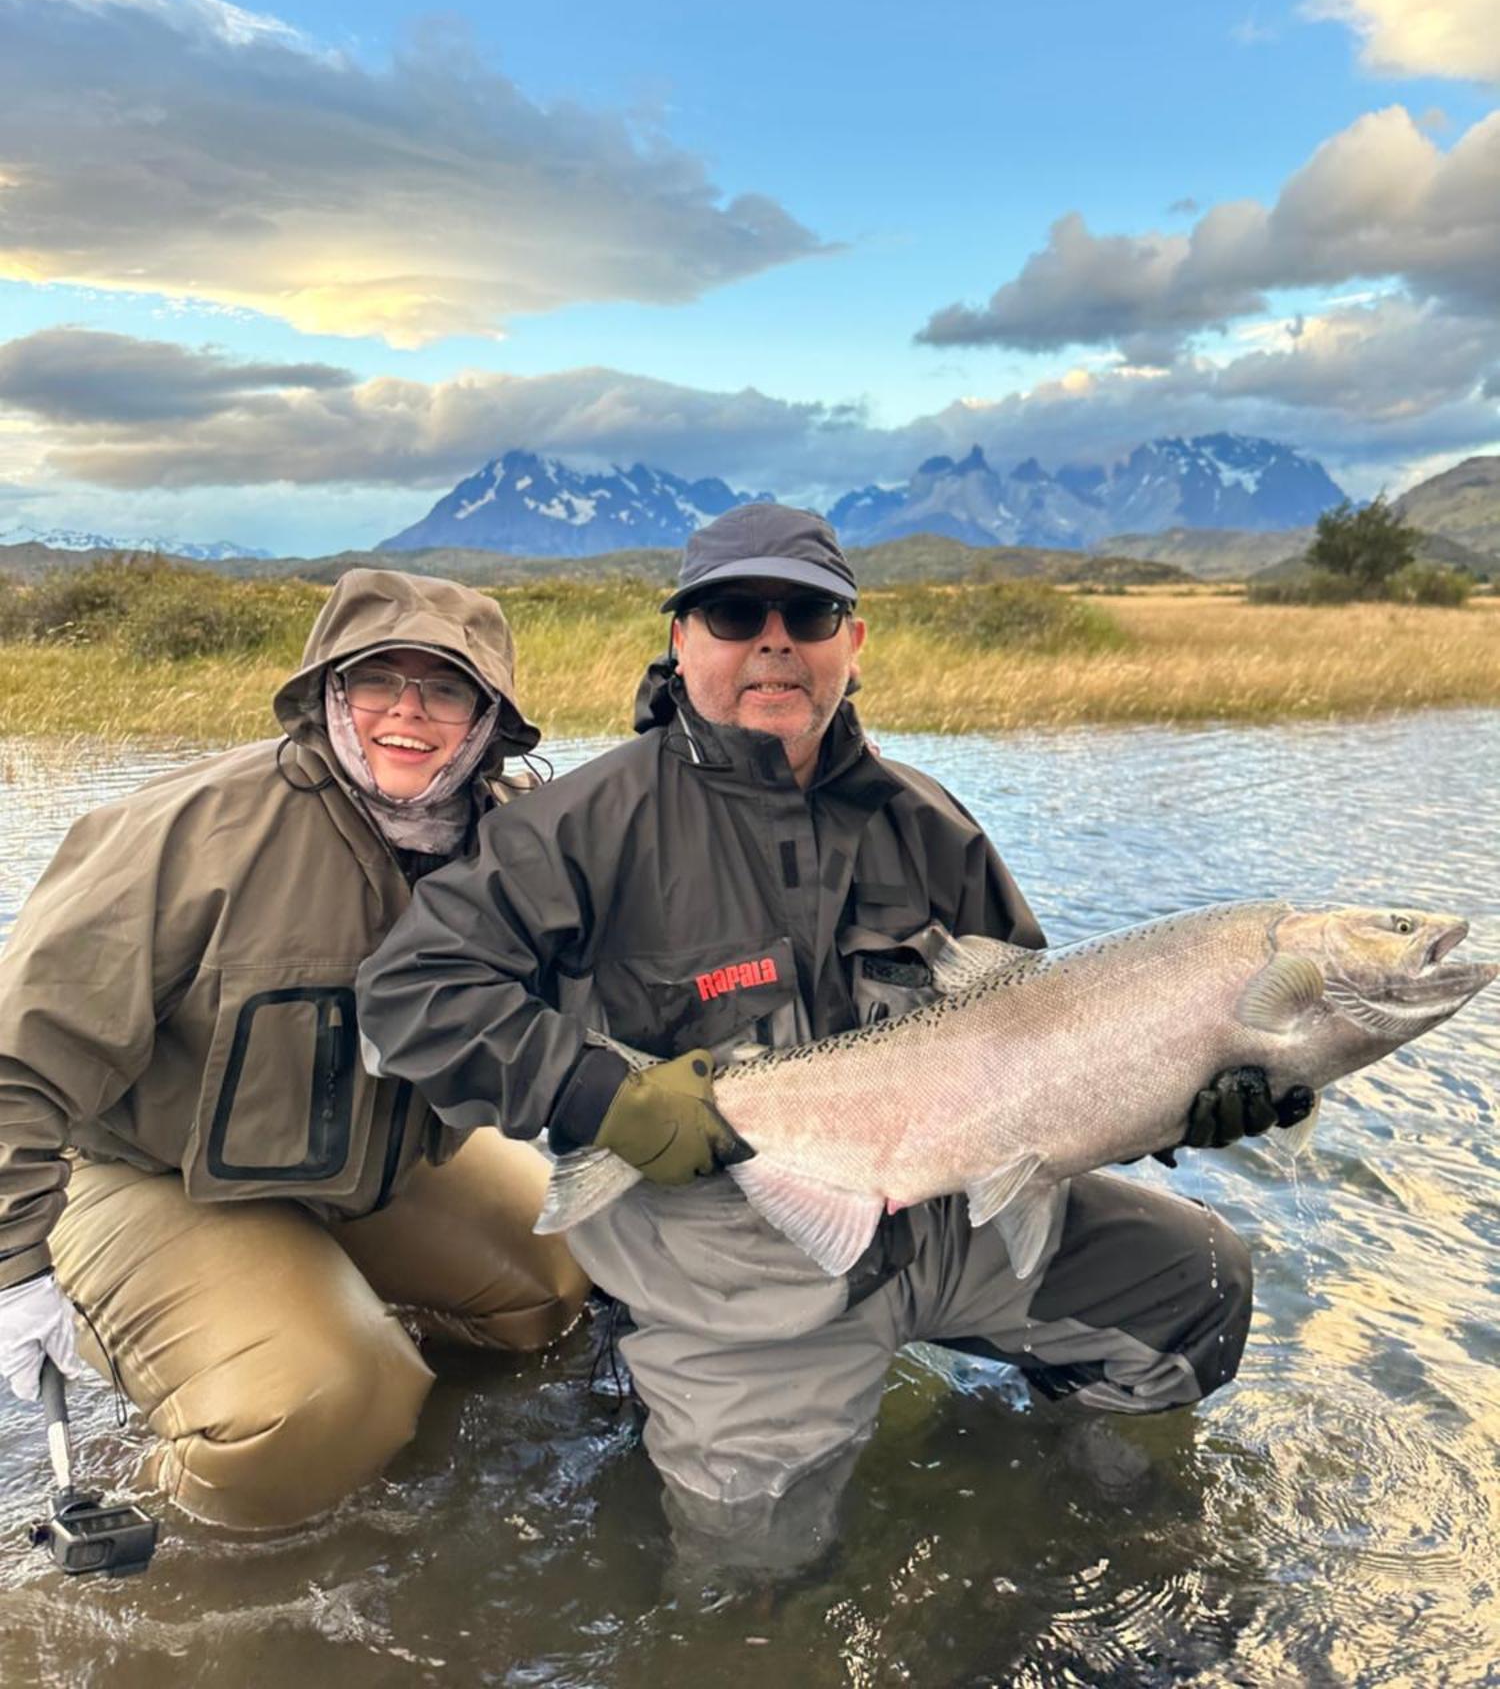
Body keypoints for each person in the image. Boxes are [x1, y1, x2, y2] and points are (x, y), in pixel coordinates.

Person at [356, 507, 1307, 1563]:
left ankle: (1045, 1495)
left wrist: (1184, 1096)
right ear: (682, 641)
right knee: (754, 1587)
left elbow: (1055, 1056)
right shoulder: (577, 826)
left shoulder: (929, 823)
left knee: (1197, 1283)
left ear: (852, 643)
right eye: (733, 611)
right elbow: (412, 991)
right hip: (736, 1269)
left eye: (807, 612)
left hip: (951, 1221)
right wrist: (598, 1097)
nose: (774, 638)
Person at [0, 568, 589, 1530]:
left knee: (560, 1271)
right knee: (328, 1398)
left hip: (366, 1168)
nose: (408, 713)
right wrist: (11, 1269)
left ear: (489, 716)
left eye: (445, 688)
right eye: (376, 682)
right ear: (328, 692)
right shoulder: (188, 834)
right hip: (140, 1171)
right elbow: (15, 1060)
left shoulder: (515, 840)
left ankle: (332, 1339)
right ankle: (185, 1499)